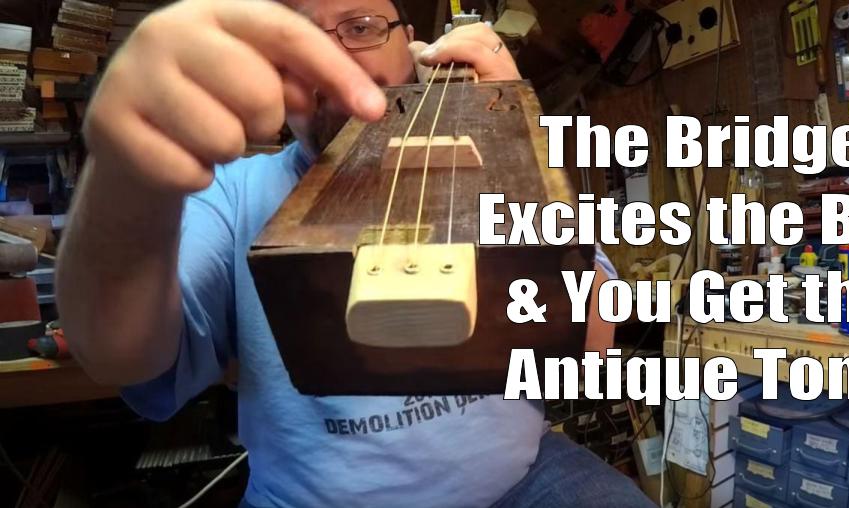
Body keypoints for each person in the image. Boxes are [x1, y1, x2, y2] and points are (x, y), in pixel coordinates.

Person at [56, 0, 656, 506]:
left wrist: (513, 139)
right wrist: (120, 179)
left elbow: (594, 340)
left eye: (362, 27)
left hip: (520, 484)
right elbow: (121, 356)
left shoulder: (487, 167)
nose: (332, 58)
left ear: (415, 49)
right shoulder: (232, 192)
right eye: (297, 37)